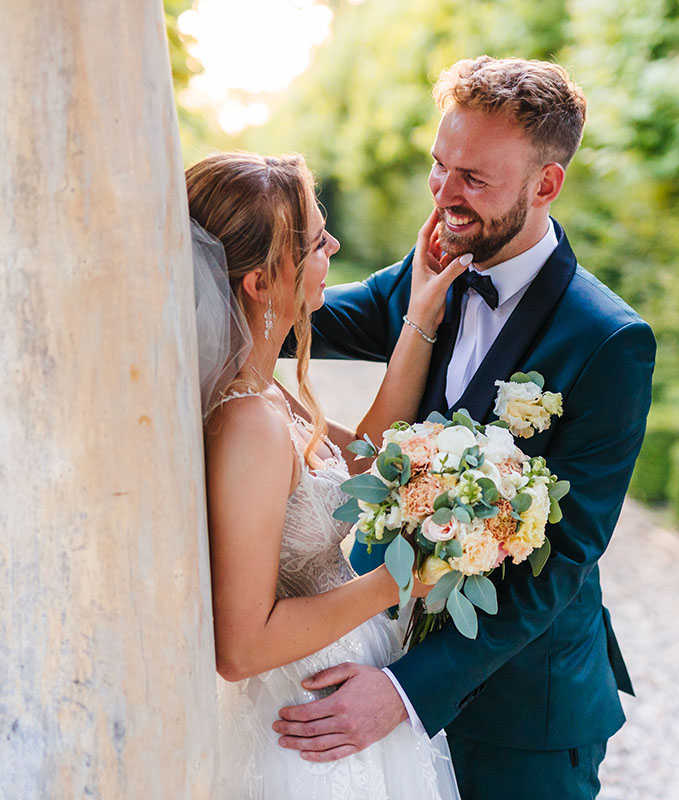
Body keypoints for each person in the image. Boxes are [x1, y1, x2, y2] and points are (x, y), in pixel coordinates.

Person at [271, 57, 656, 799]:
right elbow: (278, 319)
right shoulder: (425, 275)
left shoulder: (608, 341)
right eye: (439, 166)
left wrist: (405, 691)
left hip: (521, 715)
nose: (445, 194)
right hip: (370, 648)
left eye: (474, 178)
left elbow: (564, 559)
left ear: (546, 184)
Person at [189, 151, 469, 799]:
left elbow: (364, 456)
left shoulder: (260, 391)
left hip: (336, 678)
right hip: (306, 718)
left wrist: (419, 320)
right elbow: (240, 647)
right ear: (261, 282)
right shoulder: (248, 424)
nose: (334, 246)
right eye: (317, 241)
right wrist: (403, 576)